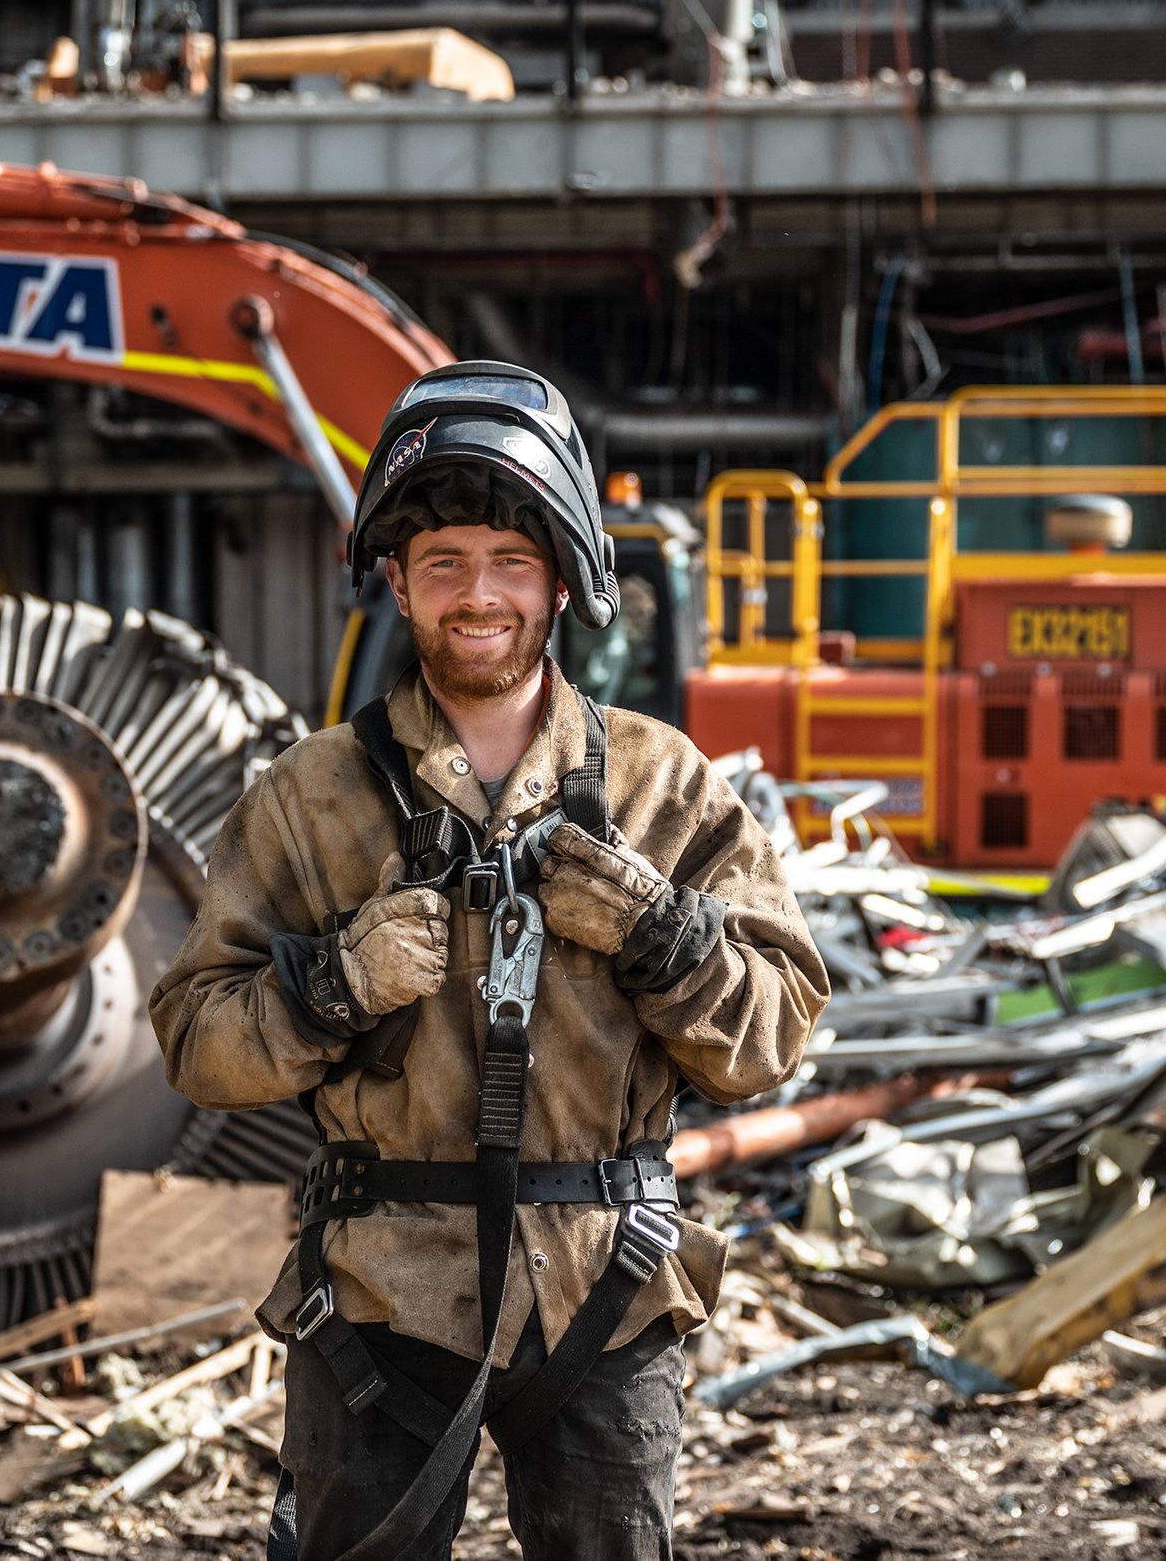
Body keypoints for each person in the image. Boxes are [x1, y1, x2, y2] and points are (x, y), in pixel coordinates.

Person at [147, 360, 827, 1561]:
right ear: (397, 582)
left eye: (510, 561)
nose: (479, 594)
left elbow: (770, 1038)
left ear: (560, 581)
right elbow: (199, 1043)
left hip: (604, 1298)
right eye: (445, 561)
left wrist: (658, 932)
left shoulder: (665, 787)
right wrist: (332, 984)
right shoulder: (310, 797)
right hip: (380, 1299)